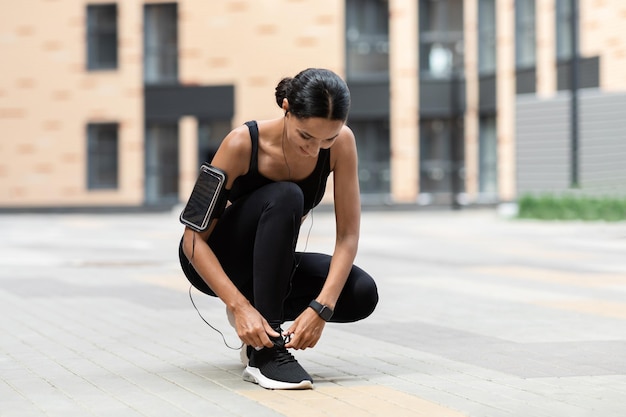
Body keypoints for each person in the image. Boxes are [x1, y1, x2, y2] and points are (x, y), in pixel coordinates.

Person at [178, 68, 378, 390]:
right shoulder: (241, 143)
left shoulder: (342, 144)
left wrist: (320, 308)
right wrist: (238, 306)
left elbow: (348, 237)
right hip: (216, 259)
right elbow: (192, 239)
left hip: (269, 261)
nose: (315, 149)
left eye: (327, 138)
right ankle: (266, 353)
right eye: (305, 136)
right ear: (286, 109)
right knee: (287, 194)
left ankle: (262, 329)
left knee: (359, 293)